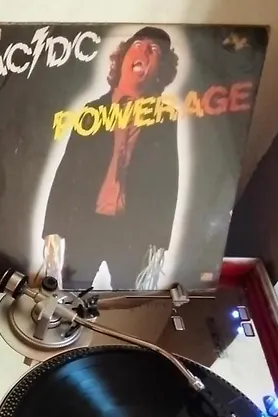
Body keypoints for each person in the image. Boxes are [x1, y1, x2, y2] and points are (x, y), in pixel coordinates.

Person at [38, 27, 180, 290]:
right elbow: (67, 169)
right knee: (71, 297)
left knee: (126, 302)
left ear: (161, 68)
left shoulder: (164, 117)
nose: (144, 51)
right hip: (86, 226)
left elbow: (169, 180)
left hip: (131, 232)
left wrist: (159, 241)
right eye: (138, 44)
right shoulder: (92, 111)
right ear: (123, 56)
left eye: (154, 49)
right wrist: (52, 229)